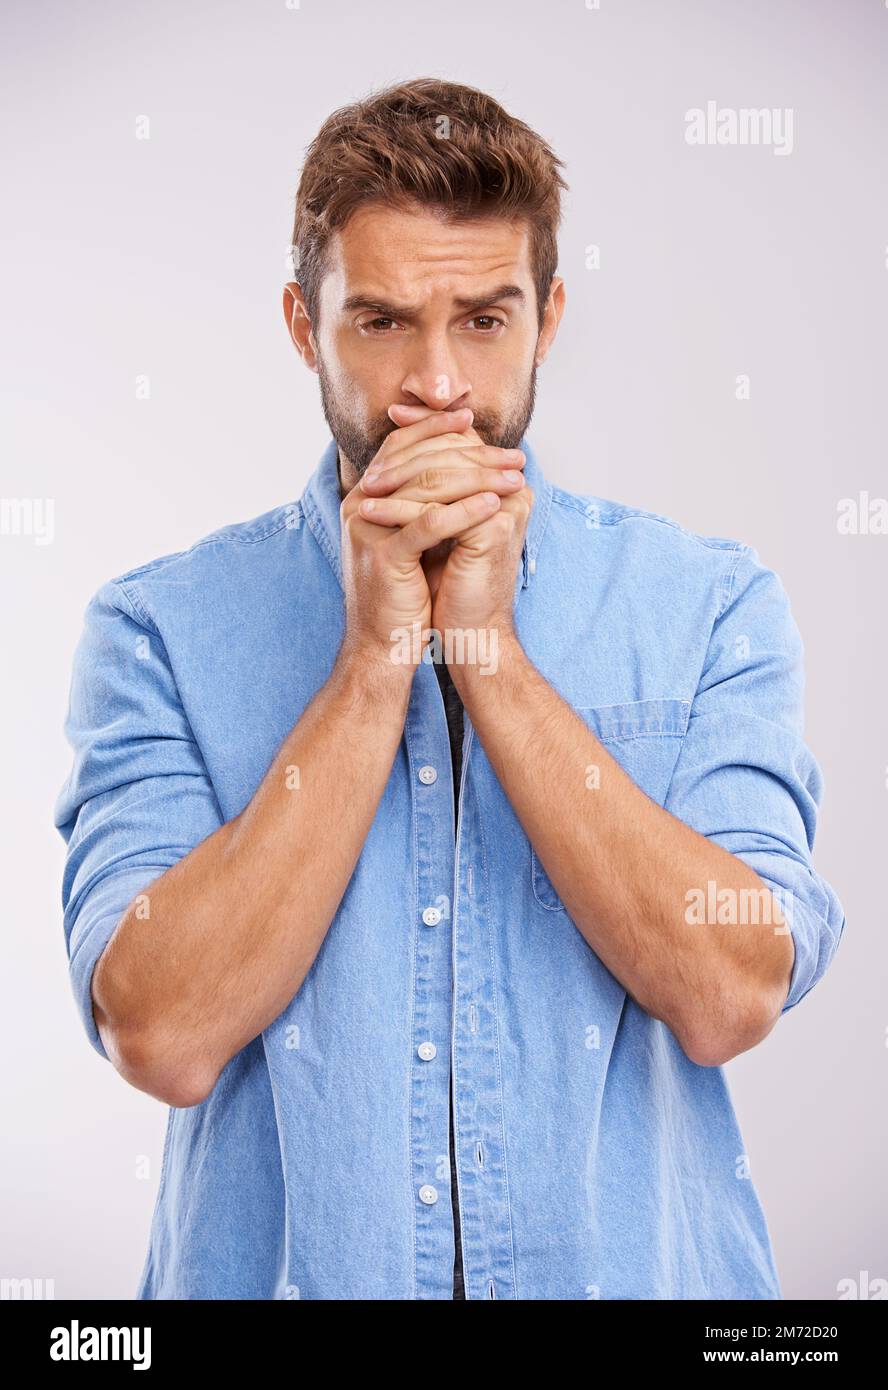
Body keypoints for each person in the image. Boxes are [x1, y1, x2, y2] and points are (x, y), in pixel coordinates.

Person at [54, 77, 845, 1300]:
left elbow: (733, 993)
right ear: (303, 327)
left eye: (483, 320)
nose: (436, 385)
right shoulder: (156, 629)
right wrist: (374, 663)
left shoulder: (709, 608)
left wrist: (495, 659)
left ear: (549, 319)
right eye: (379, 322)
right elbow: (160, 1031)